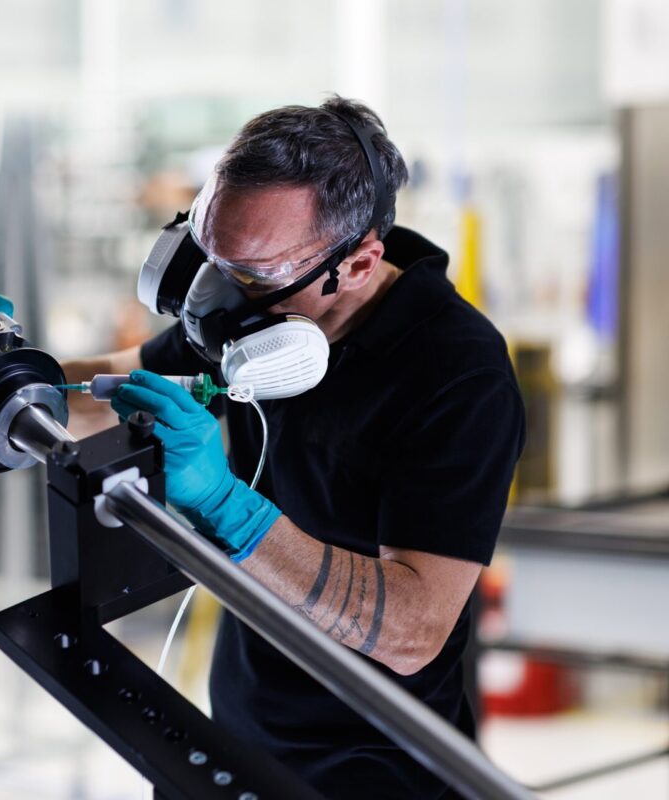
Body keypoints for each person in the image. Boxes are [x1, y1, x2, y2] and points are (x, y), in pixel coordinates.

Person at [63, 96, 526, 799]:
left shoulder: (458, 373)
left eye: (250, 271)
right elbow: (117, 386)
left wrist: (228, 508)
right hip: (242, 734)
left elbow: (412, 630)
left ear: (359, 263)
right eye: (207, 252)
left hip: (376, 769)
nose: (215, 293)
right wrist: (3, 377)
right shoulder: (248, 306)